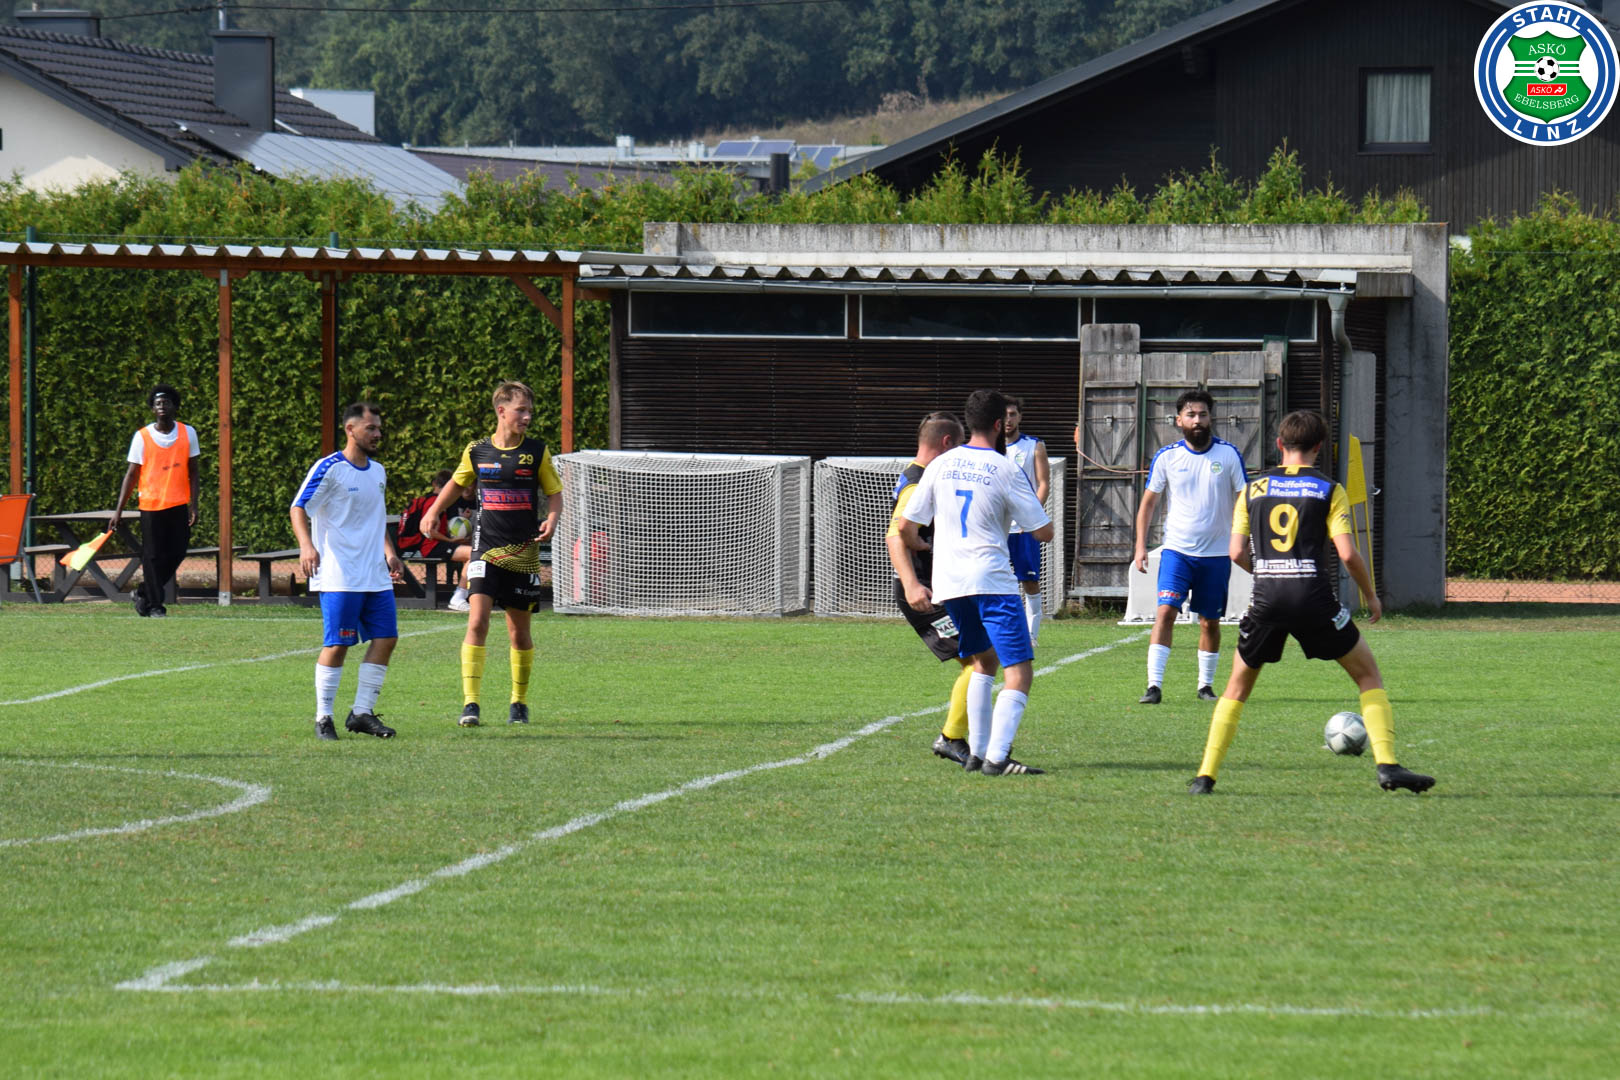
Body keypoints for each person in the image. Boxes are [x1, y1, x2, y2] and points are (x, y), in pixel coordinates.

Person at [1187, 410, 1433, 795]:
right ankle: (1387, 766)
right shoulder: (1328, 489)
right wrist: (1370, 596)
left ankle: (1205, 776)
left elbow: (1235, 552)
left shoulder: (1252, 490)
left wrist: (1268, 573)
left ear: (1279, 444)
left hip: (1267, 600)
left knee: (1235, 689)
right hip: (1314, 599)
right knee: (1367, 676)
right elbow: (1348, 554)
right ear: (1319, 447)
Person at [899, 389, 1055, 776]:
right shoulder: (1005, 468)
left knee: (984, 661)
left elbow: (905, 527)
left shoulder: (940, 464)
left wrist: (920, 543)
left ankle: (976, 754)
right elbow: (1044, 532)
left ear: (969, 422)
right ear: (1000, 424)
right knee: (1019, 671)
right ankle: (997, 759)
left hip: (950, 584)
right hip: (990, 579)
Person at [421, 380, 562, 728]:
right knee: (477, 621)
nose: (527, 417)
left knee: (519, 633)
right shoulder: (477, 451)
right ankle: (470, 704)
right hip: (484, 550)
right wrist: (434, 510)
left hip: (523, 552)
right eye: (520, 410)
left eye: (529, 411)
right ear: (501, 411)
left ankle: (519, 703)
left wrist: (553, 518)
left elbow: (554, 492)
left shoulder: (537, 451)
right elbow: (457, 483)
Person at [289, 402, 403, 741]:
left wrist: (390, 553)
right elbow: (298, 507)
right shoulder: (330, 468)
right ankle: (323, 717)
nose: (378, 434)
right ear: (350, 430)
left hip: (374, 573)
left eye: (379, 428)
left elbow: (375, 517)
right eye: (371, 428)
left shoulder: (378, 471)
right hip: (339, 572)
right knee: (338, 643)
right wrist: (306, 545)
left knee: (387, 638)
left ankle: (362, 713)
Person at [1133, 389, 1247, 704]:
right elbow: (1148, 504)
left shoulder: (1228, 455)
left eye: (1203, 415)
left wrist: (1242, 539)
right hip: (1177, 552)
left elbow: (1244, 500)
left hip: (1217, 555)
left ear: (1211, 418)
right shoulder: (1167, 457)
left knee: (1210, 621)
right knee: (1165, 612)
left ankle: (1205, 687)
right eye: (1191, 415)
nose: (1197, 420)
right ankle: (1154, 686)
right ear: (1179, 420)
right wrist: (1140, 546)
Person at [886, 411, 974, 765]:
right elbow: (895, 536)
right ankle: (951, 738)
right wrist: (911, 585)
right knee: (980, 661)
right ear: (947, 443)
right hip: (922, 591)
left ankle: (971, 739)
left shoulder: (920, 475)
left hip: (935, 586)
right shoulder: (917, 482)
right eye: (961, 445)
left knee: (981, 660)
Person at [111, 384, 199, 618]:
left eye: (166, 402)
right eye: (158, 403)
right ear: (152, 409)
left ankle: (143, 592)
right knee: (152, 556)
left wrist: (194, 504)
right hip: (151, 505)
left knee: (177, 552)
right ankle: (155, 606)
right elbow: (131, 474)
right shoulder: (142, 437)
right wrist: (118, 510)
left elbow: (194, 471)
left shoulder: (188, 433)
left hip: (178, 503)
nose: (162, 406)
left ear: (175, 406)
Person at [1002, 395, 1050, 647]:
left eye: (1012, 414)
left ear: (1020, 416)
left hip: (1023, 527)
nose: (1008, 420)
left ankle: (1032, 635)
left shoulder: (1034, 446)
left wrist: (1031, 517)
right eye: (1004, 415)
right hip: (996, 527)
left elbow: (1043, 484)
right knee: (994, 578)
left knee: (1029, 579)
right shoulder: (989, 448)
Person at [397, 468, 474, 611]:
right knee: (473, 554)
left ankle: (467, 594)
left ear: (434, 484)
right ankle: (458, 597)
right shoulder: (434, 503)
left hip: (432, 545)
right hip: (430, 547)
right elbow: (430, 531)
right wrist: (450, 541)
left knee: (473, 552)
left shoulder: (429, 500)